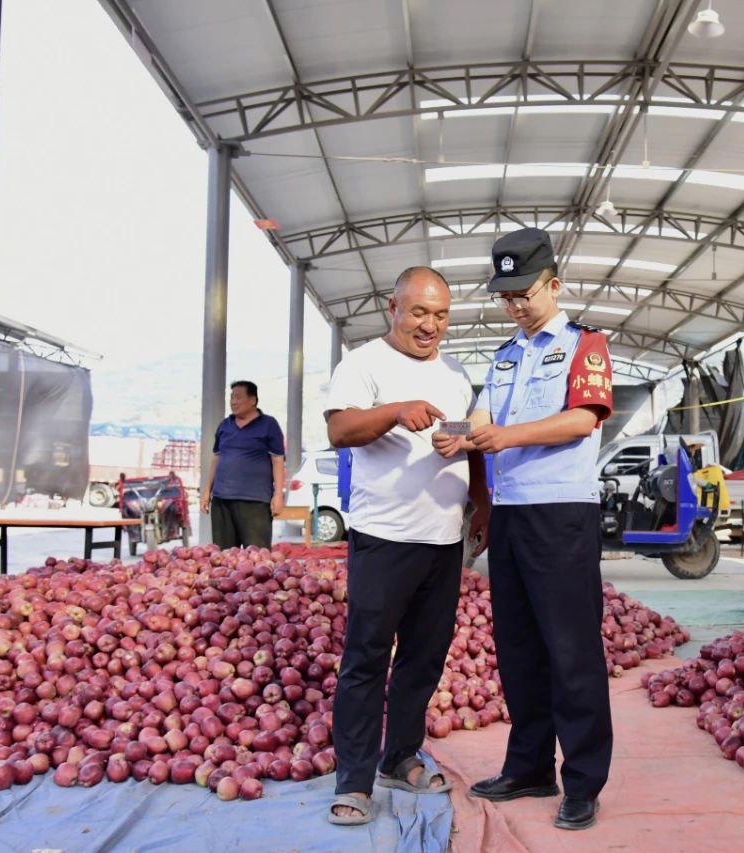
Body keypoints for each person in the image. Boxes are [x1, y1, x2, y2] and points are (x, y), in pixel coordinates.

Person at [433, 227, 613, 831]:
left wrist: (504, 437)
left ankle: (582, 781)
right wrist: (460, 434)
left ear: (553, 285)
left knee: (572, 650)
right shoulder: (506, 355)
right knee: (519, 649)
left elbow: (584, 419)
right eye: (506, 295)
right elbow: (484, 415)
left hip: (562, 513)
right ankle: (529, 765)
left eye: (524, 293)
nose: (515, 305)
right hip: (510, 513)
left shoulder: (585, 345)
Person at [323, 266, 490, 826]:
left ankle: (400, 758)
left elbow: (469, 444)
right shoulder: (364, 364)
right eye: (419, 312)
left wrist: (482, 501)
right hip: (384, 537)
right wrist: (395, 411)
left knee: (423, 657)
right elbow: (340, 430)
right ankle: (354, 779)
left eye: (441, 315)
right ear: (392, 308)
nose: (430, 325)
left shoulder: (456, 374)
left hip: (443, 539)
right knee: (367, 659)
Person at [199, 381, 285, 549]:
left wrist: (278, 495)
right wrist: (207, 491)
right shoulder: (225, 425)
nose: (233, 402)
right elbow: (216, 459)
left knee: (257, 557)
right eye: (231, 398)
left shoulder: (268, 425)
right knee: (223, 557)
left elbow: (277, 461)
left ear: (253, 400)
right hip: (222, 500)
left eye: (238, 397)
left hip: (255, 502)